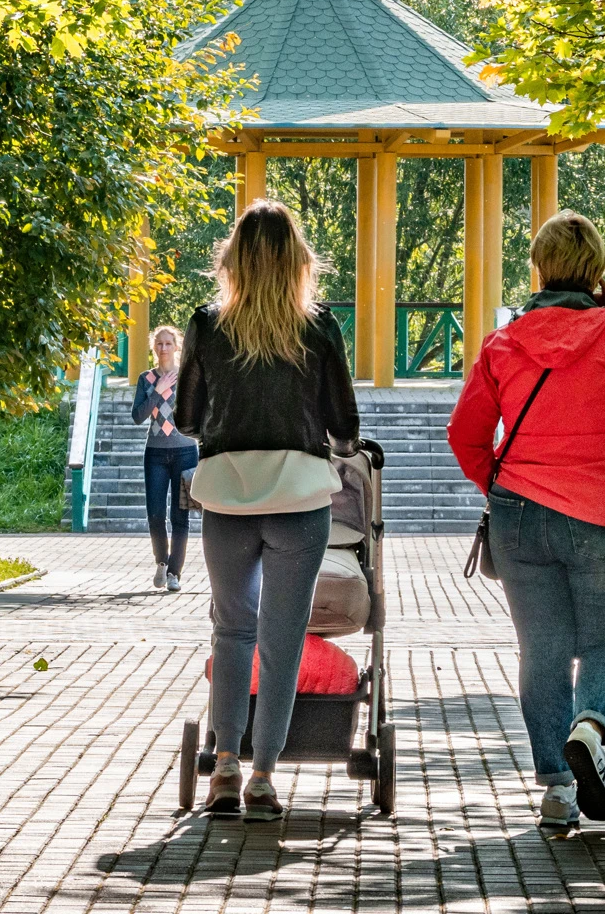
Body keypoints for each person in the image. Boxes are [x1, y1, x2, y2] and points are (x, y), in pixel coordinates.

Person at [446, 210, 605, 833]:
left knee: (542, 650)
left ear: (539, 269)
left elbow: (464, 433)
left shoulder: (503, 343)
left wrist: (498, 481)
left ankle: (555, 789)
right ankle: (591, 726)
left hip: (520, 514)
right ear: (598, 271)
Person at [177, 200, 359, 822]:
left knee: (232, 630)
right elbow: (344, 424)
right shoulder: (319, 328)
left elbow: (186, 418)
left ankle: (223, 766)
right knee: (282, 639)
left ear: (232, 259)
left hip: (228, 496)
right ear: (298, 261)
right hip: (300, 500)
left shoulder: (207, 325)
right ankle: (262, 777)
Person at [132, 325, 197, 592]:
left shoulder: (188, 377)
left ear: (176, 346)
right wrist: (158, 390)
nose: (163, 348)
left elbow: (198, 412)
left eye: (168, 343)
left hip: (185, 451)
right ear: (153, 347)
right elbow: (138, 416)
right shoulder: (146, 379)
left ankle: (174, 574)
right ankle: (161, 562)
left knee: (180, 515)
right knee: (156, 514)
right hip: (156, 453)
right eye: (159, 343)